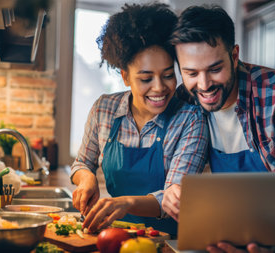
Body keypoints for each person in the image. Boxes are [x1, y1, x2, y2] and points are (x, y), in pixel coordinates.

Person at [162, 5, 275, 253]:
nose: (204, 85)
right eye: (191, 73)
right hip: (228, 240)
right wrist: (173, 190)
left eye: (215, 69)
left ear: (235, 55)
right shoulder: (186, 99)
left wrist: (262, 239)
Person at [70, 3, 208, 236]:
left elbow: (174, 198)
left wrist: (125, 203)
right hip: (117, 235)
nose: (160, 88)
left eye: (167, 75)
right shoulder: (104, 109)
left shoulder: (190, 120)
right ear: (125, 77)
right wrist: (86, 179)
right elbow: (81, 163)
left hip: (171, 241)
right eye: (146, 78)